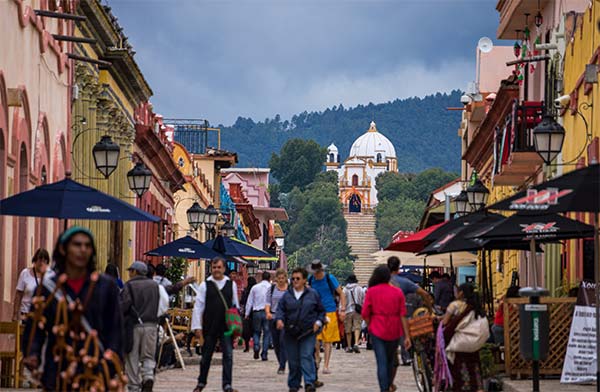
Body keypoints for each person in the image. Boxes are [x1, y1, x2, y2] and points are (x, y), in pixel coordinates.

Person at [22, 227, 123, 391]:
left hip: (94, 369)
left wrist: (110, 363)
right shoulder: (48, 288)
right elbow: (35, 329)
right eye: (77, 244)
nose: (83, 249)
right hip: (58, 368)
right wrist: (32, 353)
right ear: (63, 248)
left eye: (87, 245)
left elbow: (116, 329)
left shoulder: (105, 287)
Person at [191, 257, 240, 392]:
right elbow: (198, 307)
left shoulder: (231, 284)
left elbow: (235, 305)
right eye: (214, 267)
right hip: (210, 326)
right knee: (206, 356)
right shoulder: (205, 285)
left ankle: (227, 384)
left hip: (226, 327)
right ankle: (201, 382)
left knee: (228, 356)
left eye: (219, 267)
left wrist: (236, 326)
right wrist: (197, 327)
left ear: (224, 268)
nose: (216, 270)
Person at [361, 265, 411, 392]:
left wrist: (371, 325)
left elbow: (365, 313)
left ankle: (384, 388)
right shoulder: (397, 292)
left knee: (381, 362)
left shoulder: (372, 291)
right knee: (390, 360)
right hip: (394, 329)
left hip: (377, 328)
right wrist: (407, 336)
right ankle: (388, 384)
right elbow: (403, 315)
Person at [121, 261, 169, 392]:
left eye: (131, 271)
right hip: (151, 325)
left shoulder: (129, 286)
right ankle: (148, 376)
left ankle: (134, 387)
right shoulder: (155, 286)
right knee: (148, 355)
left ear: (135, 272)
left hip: (134, 326)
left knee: (132, 357)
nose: (129, 273)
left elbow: (124, 305)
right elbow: (164, 304)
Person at [275, 267, 326, 392]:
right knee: (293, 360)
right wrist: (279, 320)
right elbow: (280, 310)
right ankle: (294, 384)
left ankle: (309, 382)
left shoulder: (313, 294)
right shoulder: (287, 296)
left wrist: (318, 322)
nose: (295, 281)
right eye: (293, 279)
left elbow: (321, 311)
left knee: (306, 355)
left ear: (304, 280)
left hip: (308, 332)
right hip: (290, 332)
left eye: (298, 278)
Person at [388, 256, 432, 367]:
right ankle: (406, 357)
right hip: (402, 315)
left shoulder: (380, 283)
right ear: (398, 268)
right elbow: (425, 294)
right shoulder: (404, 282)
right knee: (404, 336)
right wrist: (430, 309)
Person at [441, 283, 484, 392]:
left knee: (461, 367)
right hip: (474, 342)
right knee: (474, 367)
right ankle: (478, 388)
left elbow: (445, 322)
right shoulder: (475, 306)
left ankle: (464, 387)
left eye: (457, 291)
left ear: (461, 293)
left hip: (460, 342)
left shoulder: (455, 305)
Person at [307, 260, 346, 375]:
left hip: (330, 310)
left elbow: (341, 293)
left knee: (328, 341)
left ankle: (326, 365)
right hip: (315, 312)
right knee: (315, 338)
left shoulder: (330, 278)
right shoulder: (310, 279)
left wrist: (342, 309)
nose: (315, 274)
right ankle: (317, 356)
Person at [13, 248, 52, 321]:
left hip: (42, 318)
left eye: (44, 261)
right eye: (40, 260)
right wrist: (15, 314)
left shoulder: (49, 277)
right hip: (26, 315)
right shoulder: (25, 273)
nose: (42, 263)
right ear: (35, 260)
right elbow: (18, 294)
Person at [245, 271, 273, 361]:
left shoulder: (255, 287)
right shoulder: (271, 288)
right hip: (267, 312)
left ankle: (256, 346)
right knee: (267, 333)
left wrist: (246, 313)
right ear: (269, 278)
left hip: (256, 312)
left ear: (261, 278)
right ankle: (264, 353)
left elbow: (250, 301)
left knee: (256, 332)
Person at [265, 268, 289, 374]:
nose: (281, 280)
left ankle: (282, 366)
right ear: (276, 279)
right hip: (273, 317)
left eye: (283, 278)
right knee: (276, 343)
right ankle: (281, 362)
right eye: (279, 278)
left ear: (286, 278)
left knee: (283, 341)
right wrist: (268, 313)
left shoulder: (290, 290)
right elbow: (267, 303)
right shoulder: (271, 289)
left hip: (286, 319)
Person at [342, 274, 364, 353]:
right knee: (357, 327)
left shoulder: (345, 289)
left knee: (348, 329)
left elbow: (342, 301)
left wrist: (342, 310)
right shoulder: (360, 289)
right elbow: (363, 300)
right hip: (357, 311)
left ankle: (349, 346)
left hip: (347, 310)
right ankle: (356, 343)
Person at [240, 276, 257, 352]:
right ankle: (256, 345)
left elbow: (243, 301)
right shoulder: (256, 290)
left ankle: (247, 346)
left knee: (246, 330)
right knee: (256, 330)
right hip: (255, 312)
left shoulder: (246, 291)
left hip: (248, 313)